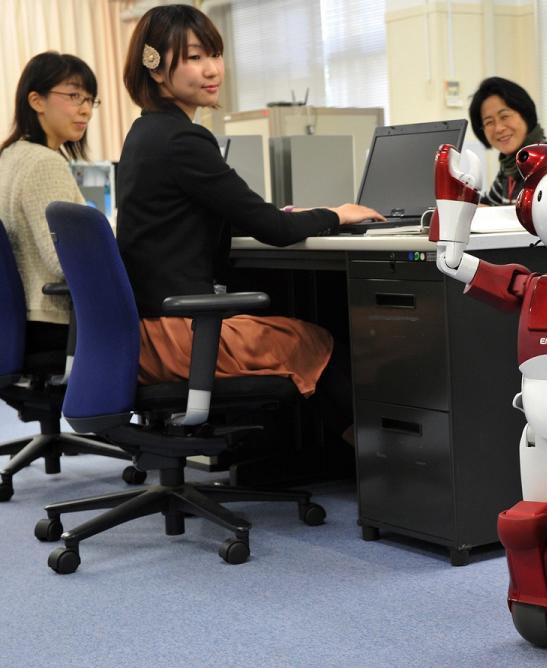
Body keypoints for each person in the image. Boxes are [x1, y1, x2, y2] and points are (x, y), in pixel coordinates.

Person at [116, 4, 382, 440]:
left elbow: (223, 214)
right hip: (179, 338)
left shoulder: (145, 133)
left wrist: (285, 215)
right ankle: (372, 467)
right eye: (195, 57)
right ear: (157, 69)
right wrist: (336, 213)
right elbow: (273, 230)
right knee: (318, 339)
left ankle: (346, 461)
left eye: (214, 55)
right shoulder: (184, 138)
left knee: (294, 323)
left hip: (146, 334)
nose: (211, 69)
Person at [0, 52, 99, 353]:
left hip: (20, 324)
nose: (85, 111)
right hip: (52, 325)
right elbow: (61, 260)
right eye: (73, 96)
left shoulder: (10, 155)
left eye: (90, 100)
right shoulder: (45, 163)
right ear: (37, 101)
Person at [468, 76, 547, 206]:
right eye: (489, 122)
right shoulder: (508, 168)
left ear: (524, 114)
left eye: (504, 116)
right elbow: (487, 206)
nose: (499, 128)